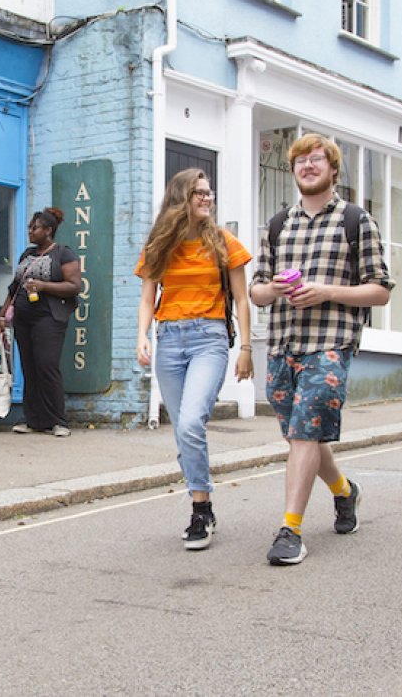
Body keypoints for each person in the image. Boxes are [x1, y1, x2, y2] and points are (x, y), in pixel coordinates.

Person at [248, 133, 391, 566]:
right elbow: (255, 291)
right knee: (299, 435)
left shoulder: (355, 220)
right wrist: (274, 288)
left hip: (330, 343)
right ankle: (345, 492)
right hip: (282, 344)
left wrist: (324, 291)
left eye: (316, 160)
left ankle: (290, 529)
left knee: (306, 432)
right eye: (300, 162)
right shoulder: (278, 224)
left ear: (332, 169)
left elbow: (381, 290)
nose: (308, 167)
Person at [136, 168, 253, 552]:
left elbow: (241, 299)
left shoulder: (223, 243)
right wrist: (142, 336)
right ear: (180, 197)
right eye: (198, 192)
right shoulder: (160, 245)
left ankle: (200, 509)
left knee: (190, 423)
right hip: (168, 341)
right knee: (182, 431)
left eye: (208, 192)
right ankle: (201, 501)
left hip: (209, 339)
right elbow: (147, 296)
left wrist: (247, 349)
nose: (207, 197)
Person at [0, 207, 82, 437]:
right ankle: (33, 420)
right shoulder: (27, 255)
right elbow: (14, 288)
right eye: (29, 228)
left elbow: (74, 286)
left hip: (49, 318)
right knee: (29, 367)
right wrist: (4, 314)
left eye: (34, 228)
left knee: (46, 365)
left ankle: (58, 420)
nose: (30, 232)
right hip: (23, 319)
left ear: (48, 230)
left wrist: (44, 286)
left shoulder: (64, 254)